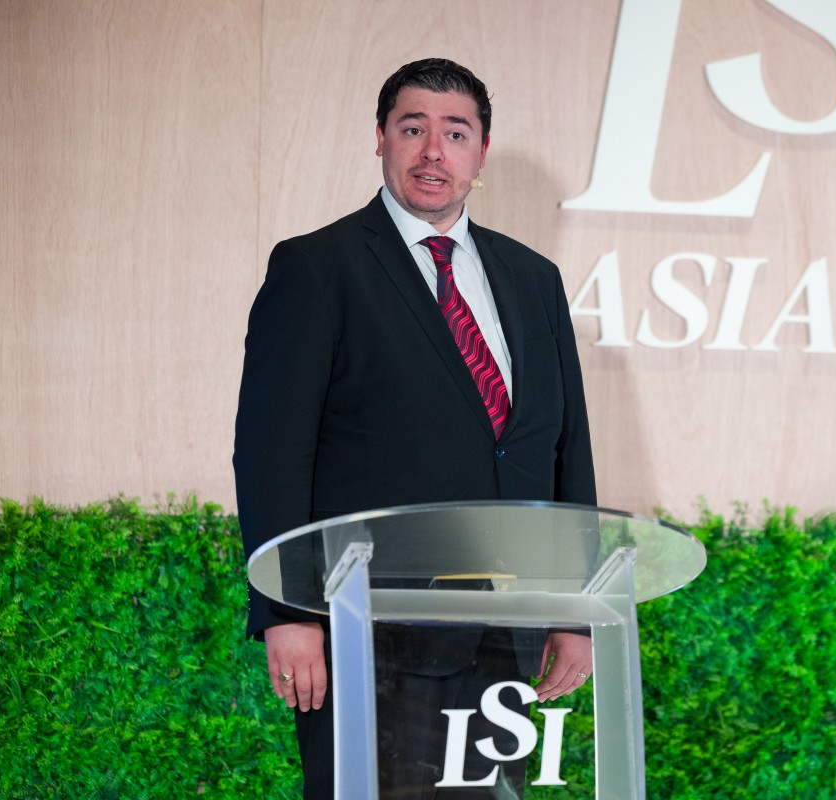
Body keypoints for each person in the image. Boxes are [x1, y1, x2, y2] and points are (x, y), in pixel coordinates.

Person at [233, 58, 597, 799]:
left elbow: (565, 450)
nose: (434, 151)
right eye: (413, 129)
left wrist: (576, 610)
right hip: (369, 629)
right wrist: (286, 613)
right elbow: (272, 452)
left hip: (507, 632)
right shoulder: (317, 268)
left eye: (455, 133)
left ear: (481, 152)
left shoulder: (534, 278)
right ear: (381, 138)